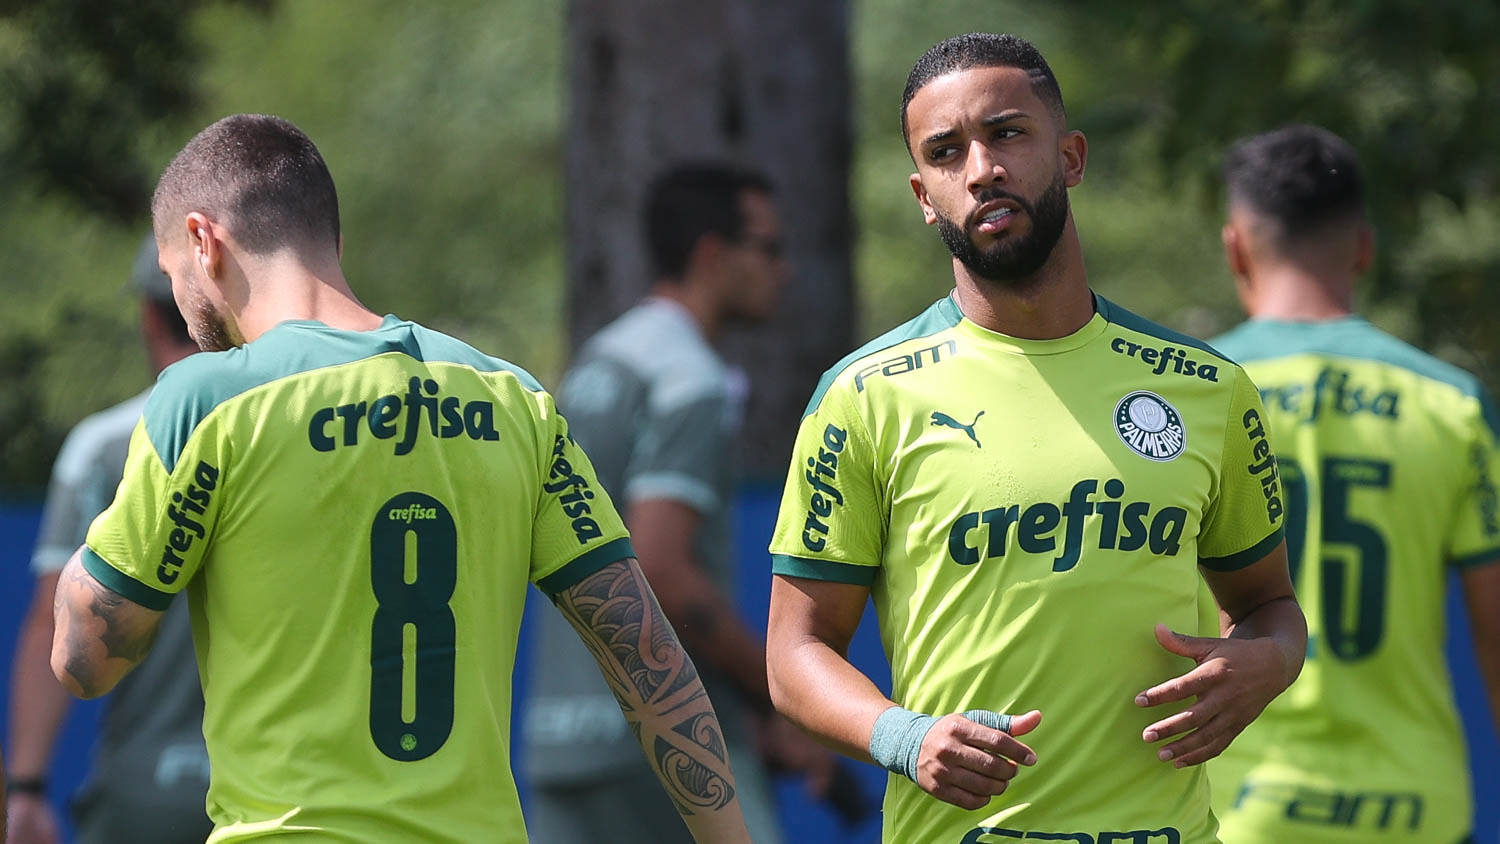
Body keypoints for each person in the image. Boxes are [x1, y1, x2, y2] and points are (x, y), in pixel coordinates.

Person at [47, 113, 751, 843]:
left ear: (202, 240)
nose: (184, 311)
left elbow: (85, 657)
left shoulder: (206, 398)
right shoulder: (513, 397)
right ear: (333, 242)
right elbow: (645, 654)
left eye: (173, 277)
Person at [763, 33, 1308, 843]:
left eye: (1008, 133)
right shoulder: (863, 397)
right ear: (923, 193)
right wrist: (905, 739)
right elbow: (794, 654)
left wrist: (1269, 661)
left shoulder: (1205, 388)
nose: (982, 169)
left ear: (1072, 155)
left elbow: (1269, 607)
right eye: (946, 153)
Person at [1204, 124, 1500, 843]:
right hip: (1413, 808)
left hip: (1234, 810)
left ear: (1236, 246)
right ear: (1364, 247)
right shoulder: (1451, 402)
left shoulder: (1188, 398)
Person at [522, 162, 834, 842]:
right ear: (713, 255)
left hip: (563, 737)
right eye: (771, 249)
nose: (784, 269)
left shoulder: (594, 368)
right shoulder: (687, 376)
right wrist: (779, 694)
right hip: (666, 741)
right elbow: (661, 568)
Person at [6, 235, 209, 844]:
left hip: (142, 792)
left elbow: (51, 621)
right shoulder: (301, 433)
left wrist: (27, 788)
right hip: (280, 795)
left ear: (150, 313)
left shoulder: (103, 447)